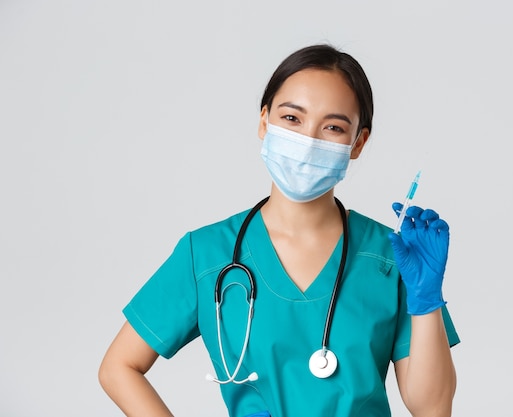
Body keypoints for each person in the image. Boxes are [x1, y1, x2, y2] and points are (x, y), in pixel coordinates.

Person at [98, 44, 460, 417]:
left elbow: (432, 408)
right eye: (292, 118)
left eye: (333, 126)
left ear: (358, 143)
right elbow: (118, 368)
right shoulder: (205, 254)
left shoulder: (391, 258)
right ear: (264, 120)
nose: (309, 140)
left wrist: (426, 300)